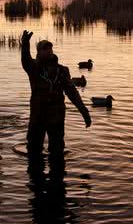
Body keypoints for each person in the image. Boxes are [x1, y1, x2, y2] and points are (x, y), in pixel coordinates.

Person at [21, 30, 91, 163]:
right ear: (39, 52)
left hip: (56, 117)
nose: (48, 50)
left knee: (57, 152)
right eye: (45, 48)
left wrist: (84, 111)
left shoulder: (62, 71)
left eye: (50, 48)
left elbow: (72, 93)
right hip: (38, 116)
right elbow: (25, 60)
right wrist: (25, 44)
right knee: (34, 150)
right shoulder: (34, 68)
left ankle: (57, 180)